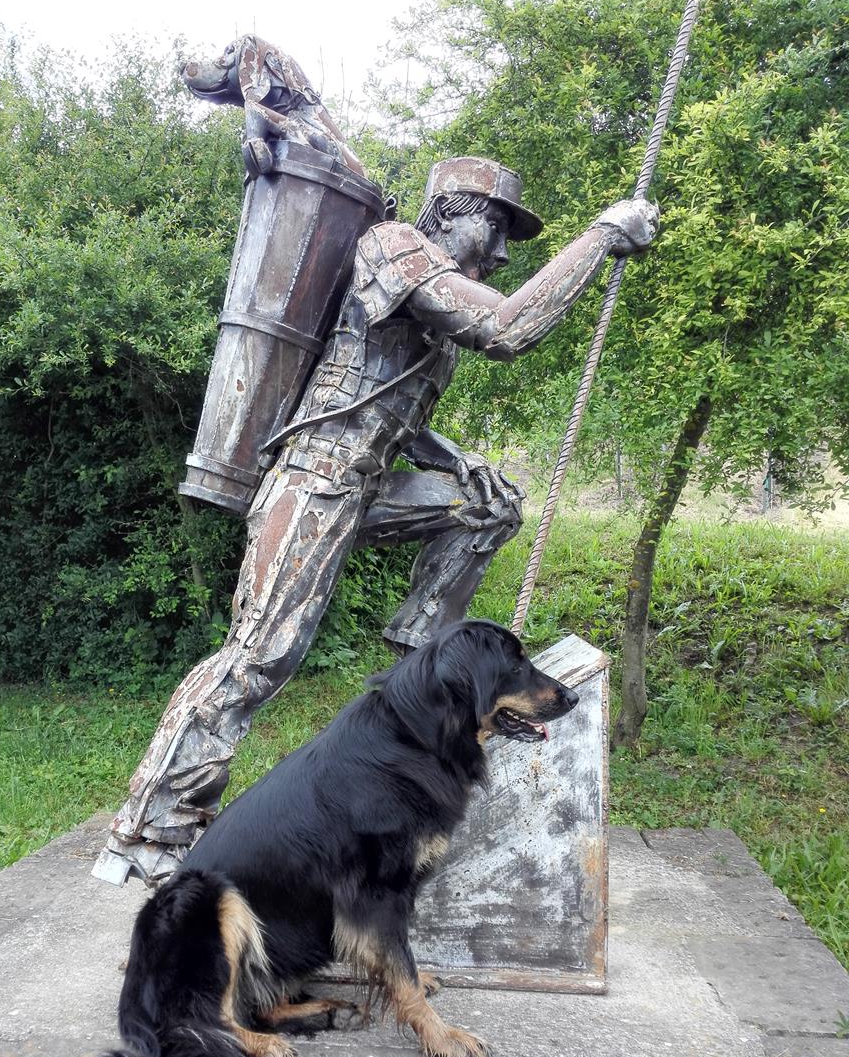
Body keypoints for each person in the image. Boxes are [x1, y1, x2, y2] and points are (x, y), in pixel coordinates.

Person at [93, 156, 658, 885]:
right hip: (315, 478)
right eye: (494, 227)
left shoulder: (431, 282)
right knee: (261, 655)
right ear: (447, 212)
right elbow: (504, 329)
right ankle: (151, 827)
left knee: (489, 506)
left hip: (367, 482)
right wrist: (601, 236)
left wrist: (456, 459)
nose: (501, 251)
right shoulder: (394, 247)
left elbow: (384, 403)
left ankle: (416, 679)